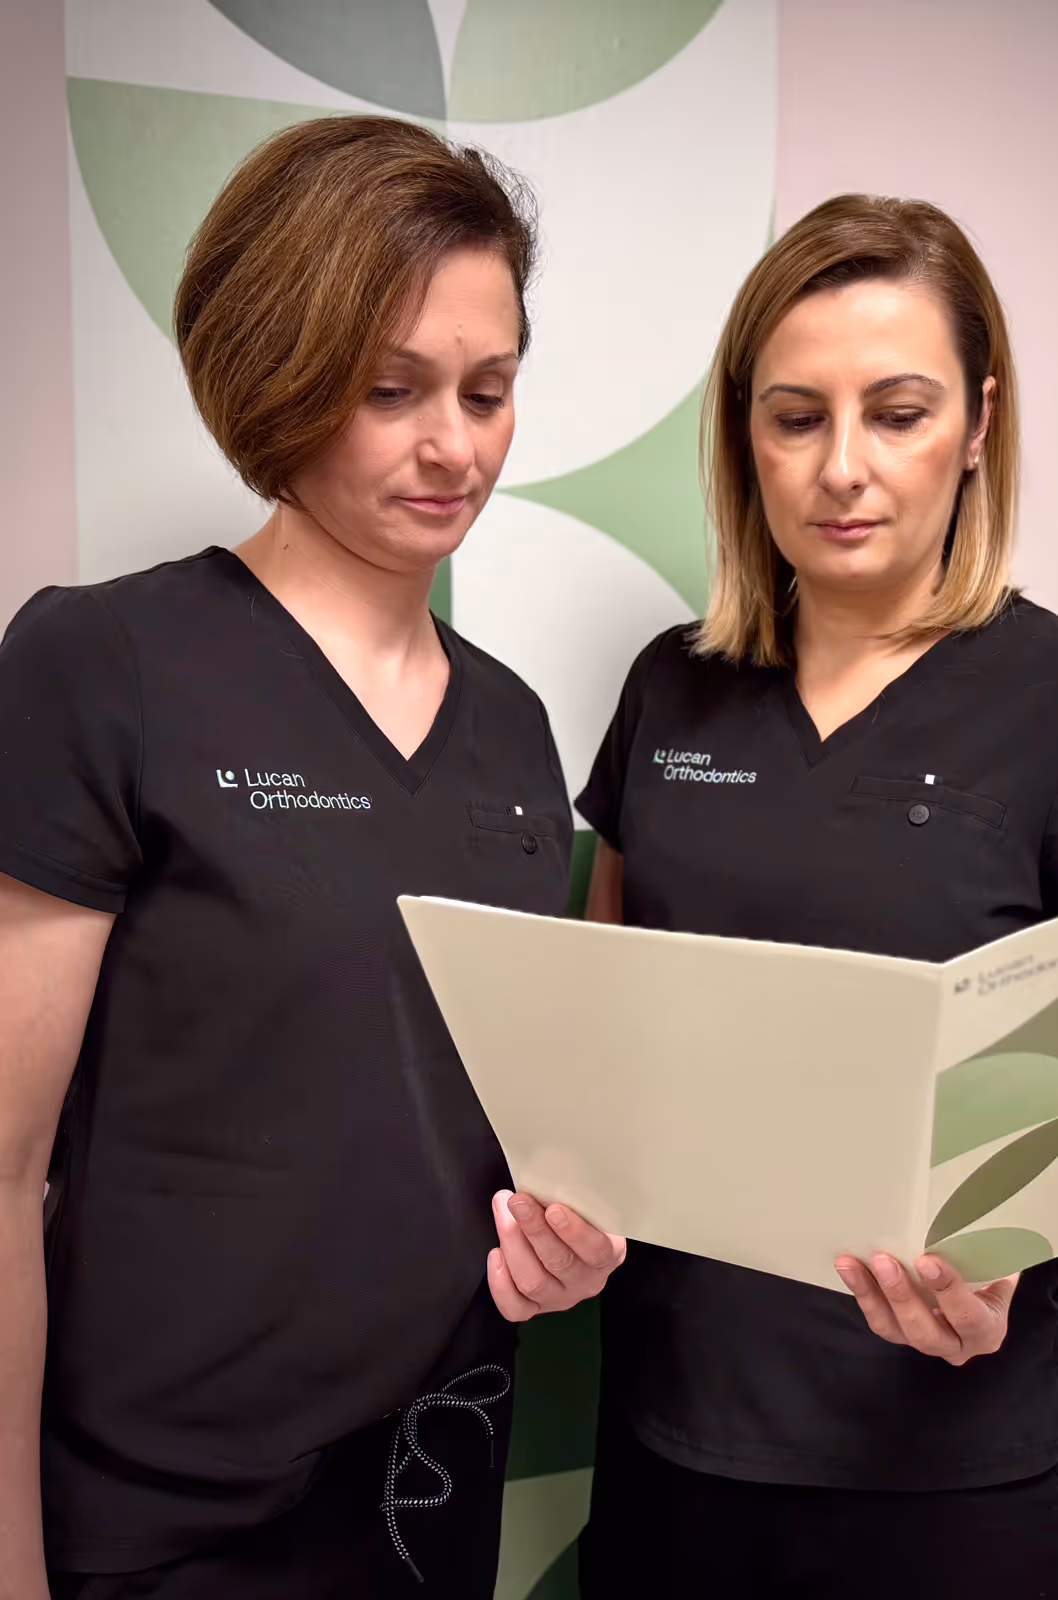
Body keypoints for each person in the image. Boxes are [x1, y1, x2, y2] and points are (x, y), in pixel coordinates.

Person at [0, 116, 621, 1600]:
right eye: (390, 389)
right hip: (162, 1521)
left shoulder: (517, 730)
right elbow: (4, 1166)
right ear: (278, 377)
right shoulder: (106, 662)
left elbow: (517, 1132)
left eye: (488, 388)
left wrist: (579, 1241)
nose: (453, 445)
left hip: (430, 1491)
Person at [553, 194, 1058, 1598]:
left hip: (946, 1465)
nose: (842, 467)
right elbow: (596, 1023)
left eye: (896, 413)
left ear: (978, 421)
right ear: (746, 437)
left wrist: (1013, 1259)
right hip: (679, 1440)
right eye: (796, 417)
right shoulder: (674, 688)